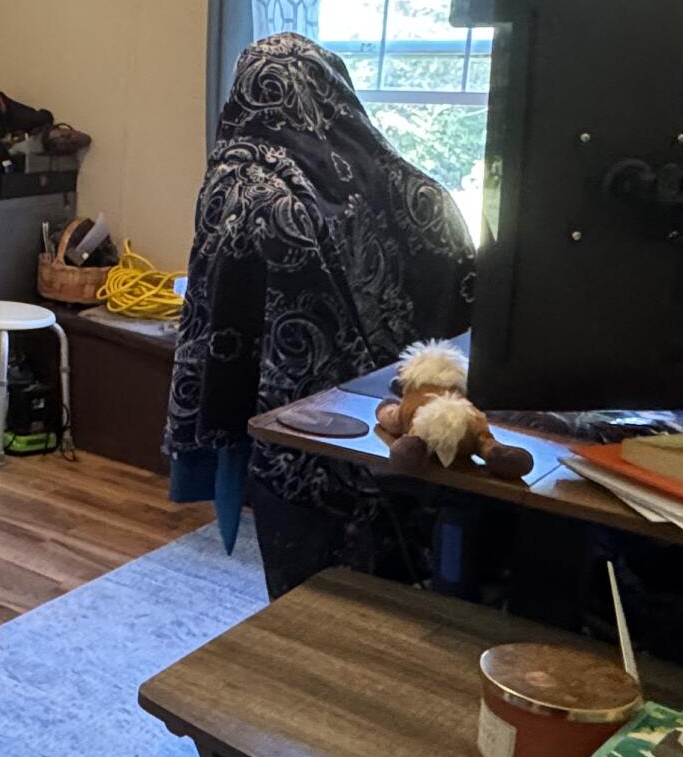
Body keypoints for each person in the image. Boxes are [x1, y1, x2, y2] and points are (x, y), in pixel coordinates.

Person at [166, 34, 477, 596]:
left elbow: (213, 321)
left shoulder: (242, 184)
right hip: (402, 430)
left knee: (307, 596)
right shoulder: (413, 185)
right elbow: (463, 290)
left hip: (295, 437)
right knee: (405, 590)